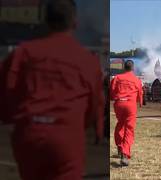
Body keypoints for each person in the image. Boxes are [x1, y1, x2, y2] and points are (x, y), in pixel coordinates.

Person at [0, 0, 105, 179]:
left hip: (30, 133)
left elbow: (5, 92)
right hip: (65, 136)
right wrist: (82, 126)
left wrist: (16, 119)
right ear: (75, 22)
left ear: (45, 21)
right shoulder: (87, 59)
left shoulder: (23, 52)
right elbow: (95, 105)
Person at [110, 60, 143, 166]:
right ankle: (125, 154)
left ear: (124, 67)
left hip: (119, 104)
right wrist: (140, 102)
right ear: (133, 68)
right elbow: (139, 94)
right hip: (130, 105)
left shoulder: (117, 78)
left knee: (120, 124)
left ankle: (120, 147)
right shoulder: (136, 80)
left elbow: (111, 92)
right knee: (129, 128)